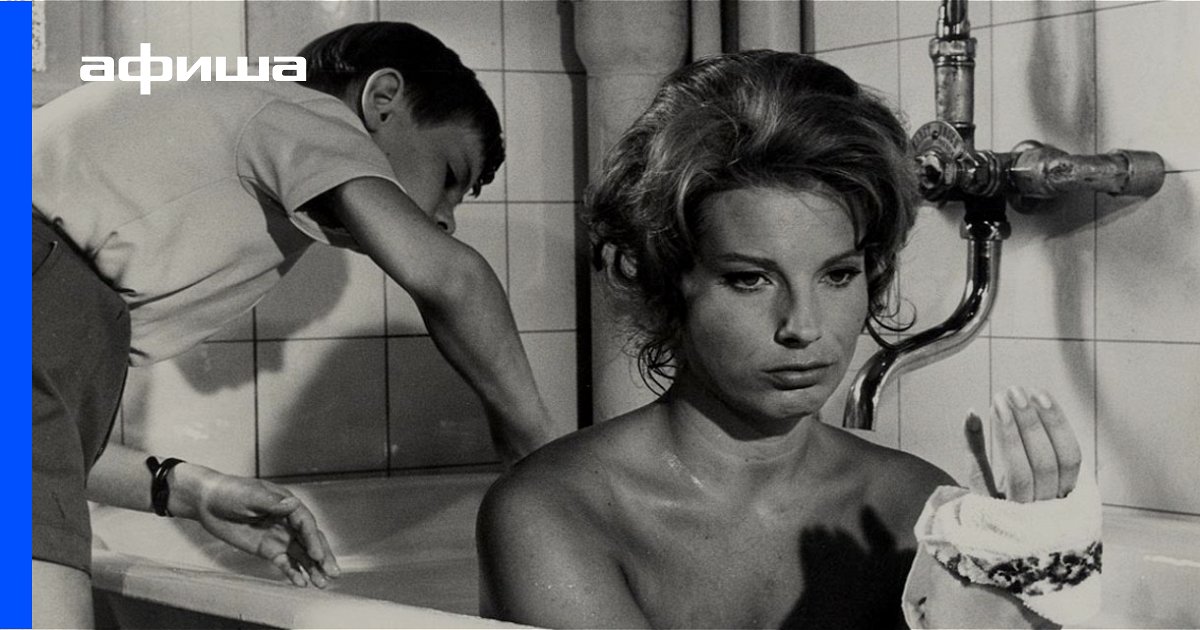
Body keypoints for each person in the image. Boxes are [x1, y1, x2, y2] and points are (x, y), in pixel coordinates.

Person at [477, 51, 1091, 629]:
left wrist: (1032, 585)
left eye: (838, 275)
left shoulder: (911, 506)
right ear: (665, 283)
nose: (802, 326)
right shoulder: (553, 510)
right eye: (750, 279)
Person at [33, 22, 557, 628]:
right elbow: (453, 279)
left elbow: (54, 441)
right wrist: (540, 452)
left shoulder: (79, 262)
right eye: (448, 176)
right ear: (383, 99)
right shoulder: (302, 110)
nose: (445, 220)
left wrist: (186, 488)